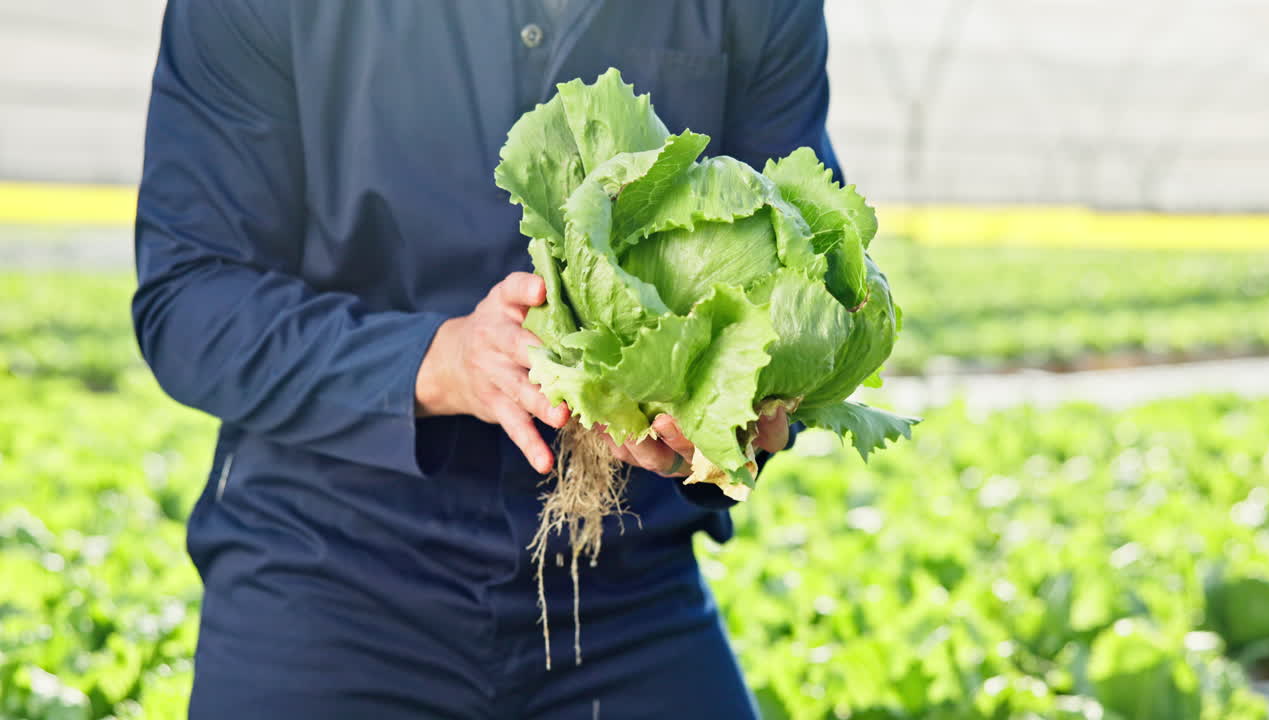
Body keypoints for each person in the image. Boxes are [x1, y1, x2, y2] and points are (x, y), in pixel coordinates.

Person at [132, 1, 844, 717]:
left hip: (625, 579)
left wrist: (738, 410)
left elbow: (807, 257)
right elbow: (190, 299)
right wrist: (436, 362)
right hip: (328, 565)